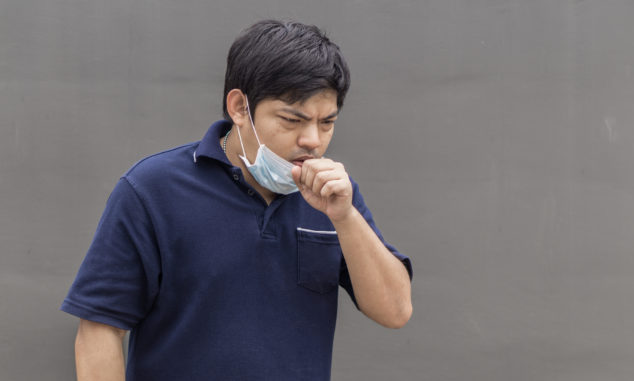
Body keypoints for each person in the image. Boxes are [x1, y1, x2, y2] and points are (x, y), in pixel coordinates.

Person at [61, 19, 413, 381]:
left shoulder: (335, 195)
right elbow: (100, 329)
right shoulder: (152, 189)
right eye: (293, 119)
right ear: (239, 107)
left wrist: (345, 218)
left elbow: (396, 311)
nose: (313, 140)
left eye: (327, 122)